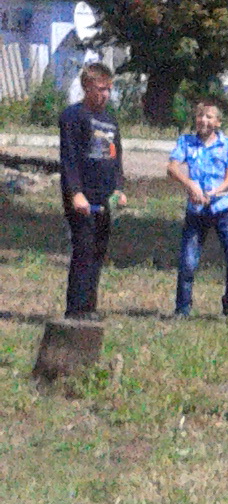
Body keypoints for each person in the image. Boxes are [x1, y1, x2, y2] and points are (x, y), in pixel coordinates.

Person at [58, 61, 124, 319]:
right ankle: (75, 309)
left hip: (105, 198)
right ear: (87, 87)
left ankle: (89, 307)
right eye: (100, 89)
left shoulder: (110, 120)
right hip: (81, 197)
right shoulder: (73, 117)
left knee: (98, 252)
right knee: (83, 251)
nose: (105, 94)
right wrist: (75, 193)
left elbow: (117, 158)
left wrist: (119, 188)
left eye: (108, 89)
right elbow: (69, 159)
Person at [168, 97, 228, 321]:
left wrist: (214, 192)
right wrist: (190, 185)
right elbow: (172, 168)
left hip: (223, 211)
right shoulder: (186, 142)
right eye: (200, 115)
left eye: (209, 116)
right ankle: (182, 309)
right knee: (188, 262)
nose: (203, 120)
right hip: (196, 213)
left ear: (218, 122)